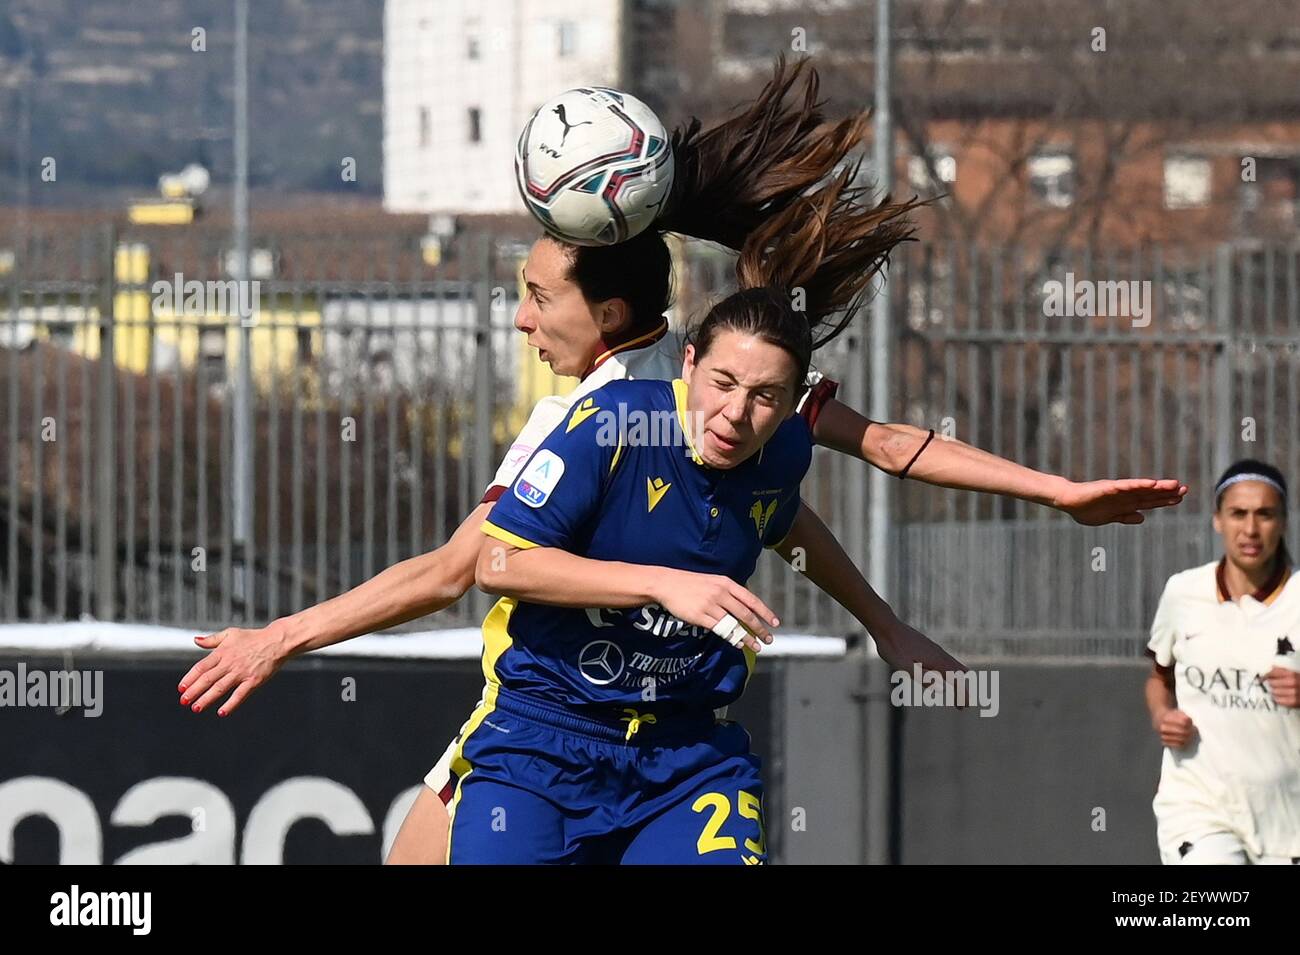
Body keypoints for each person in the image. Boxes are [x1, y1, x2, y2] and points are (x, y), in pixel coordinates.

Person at [178, 57, 1188, 864]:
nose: (523, 316)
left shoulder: (678, 391)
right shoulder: (680, 380)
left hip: (663, 739)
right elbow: (844, 469)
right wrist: (1005, 529)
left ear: (608, 310)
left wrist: (282, 636)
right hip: (548, 721)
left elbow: (462, 567)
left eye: (539, 293)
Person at [1144, 458, 1300, 865]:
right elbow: (1160, 679)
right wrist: (1163, 717)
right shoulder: (1183, 592)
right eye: (1238, 513)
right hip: (1199, 808)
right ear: (1217, 520)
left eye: (1264, 514)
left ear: (1283, 521)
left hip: (1288, 823)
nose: (1250, 529)